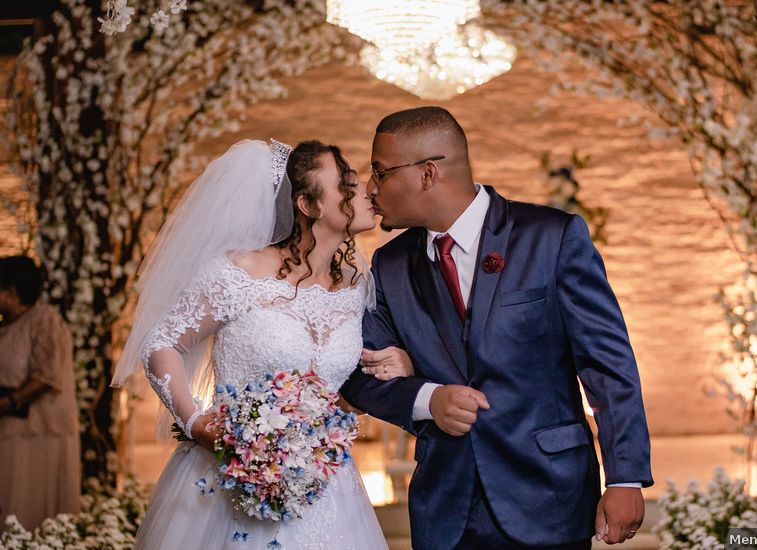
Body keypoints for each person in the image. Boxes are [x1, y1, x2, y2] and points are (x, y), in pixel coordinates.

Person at [341, 106, 652, 550]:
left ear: (428, 173)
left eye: (380, 171)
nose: (371, 188)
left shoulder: (552, 237)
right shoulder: (389, 266)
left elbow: (607, 362)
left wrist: (625, 477)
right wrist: (428, 399)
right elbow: (358, 376)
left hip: (548, 495)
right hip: (447, 507)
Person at [111, 139, 411, 549]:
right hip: (228, 481)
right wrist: (197, 424)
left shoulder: (357, 289)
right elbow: (161, 343)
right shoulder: (239, 273)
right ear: (308, 205)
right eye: (346, 183)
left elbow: (343, 392)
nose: (365, 192)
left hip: (323, 487)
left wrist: (398, 361)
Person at [0, 255, 81, 531]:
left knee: (25, 508)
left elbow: (48, 374)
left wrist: (9, 401)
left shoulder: (44, 319)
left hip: (38, 432)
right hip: (12, 430)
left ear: (11, 291)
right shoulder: (8, 325)